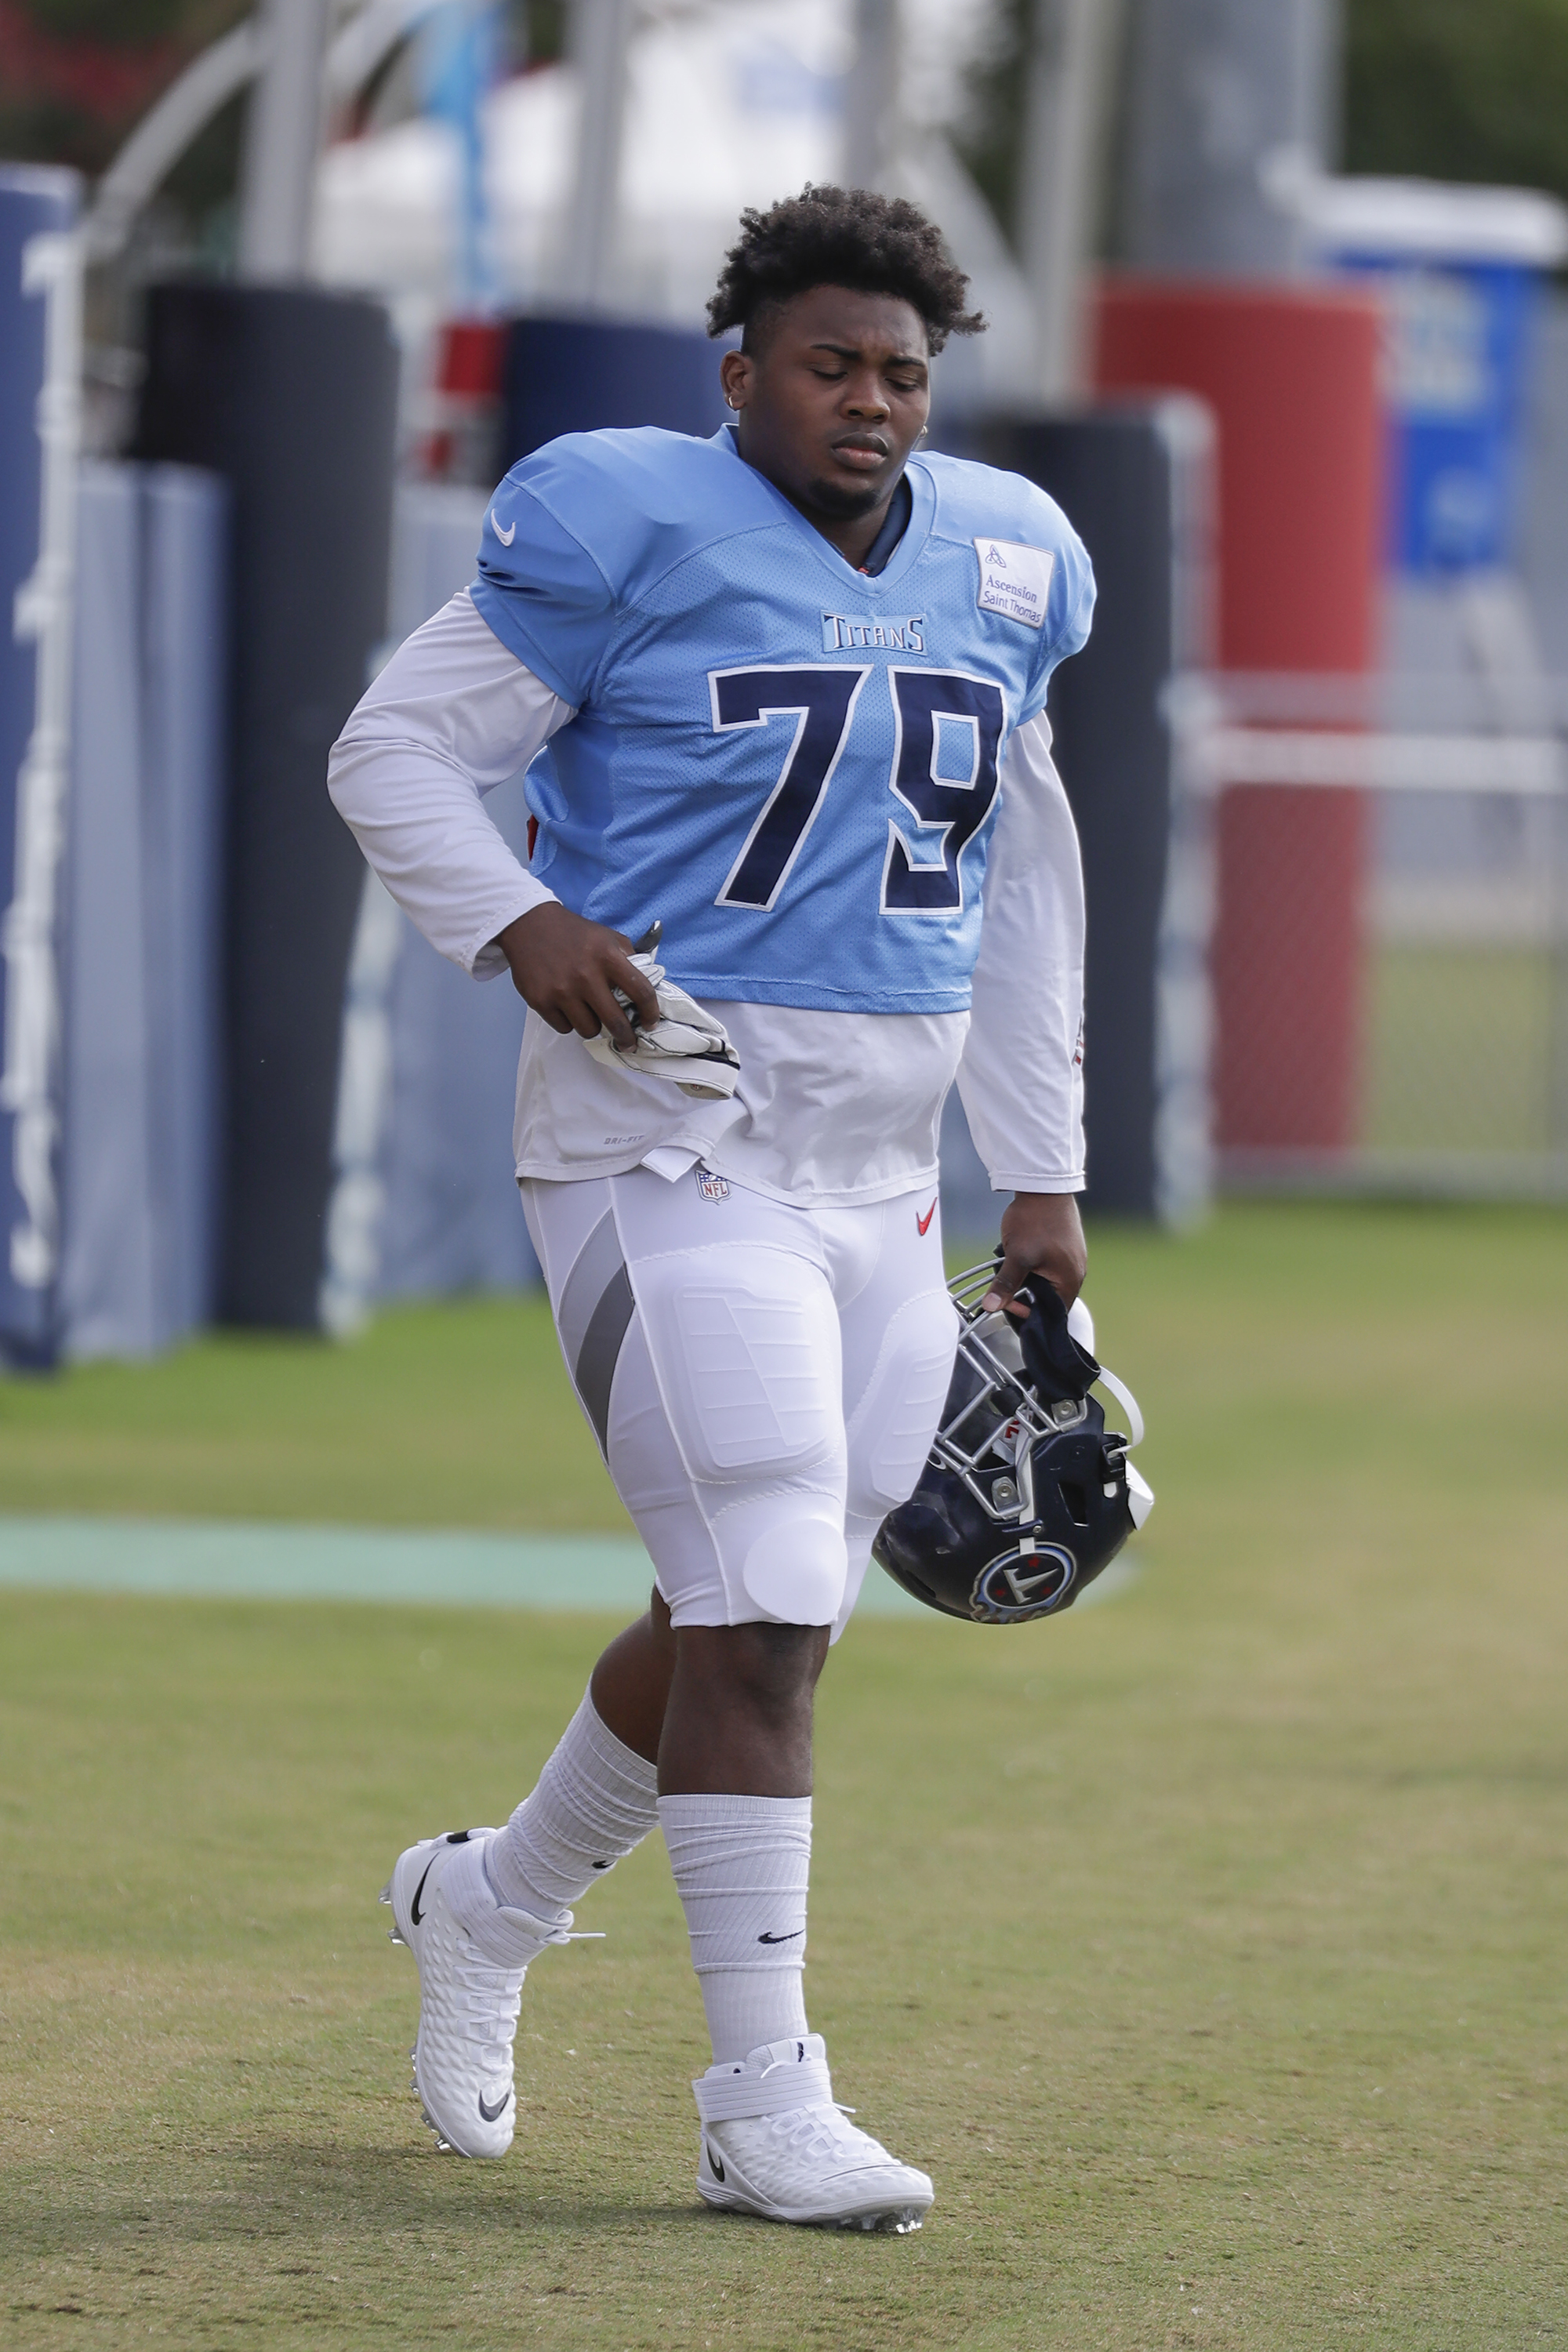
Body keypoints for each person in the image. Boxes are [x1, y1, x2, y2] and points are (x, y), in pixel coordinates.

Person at [328, 183, 1094, 2235]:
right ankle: (765, 2098)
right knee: (765, 1618)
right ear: (738, 368)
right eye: (832, 363)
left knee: (748, 1612)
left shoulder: (1015, 557)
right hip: (664, 1152)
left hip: (878, 1181)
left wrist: (1044, 1177)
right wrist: (521, 918)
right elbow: (393, 752)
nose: (871, 403)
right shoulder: (621, 521)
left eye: (905, 374)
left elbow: (1021, 875)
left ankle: (488, 1906)